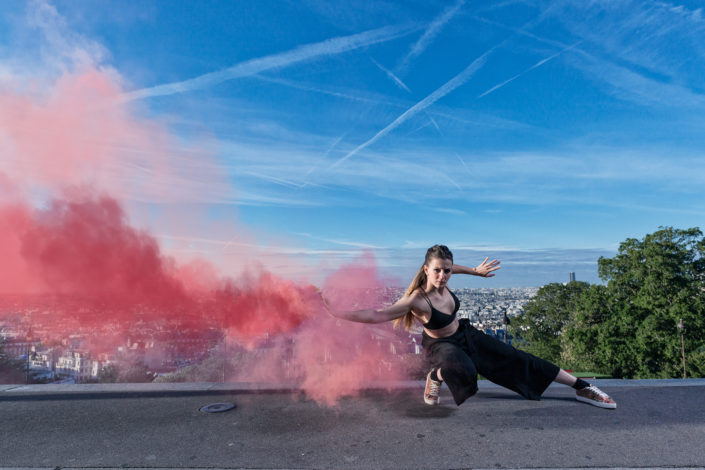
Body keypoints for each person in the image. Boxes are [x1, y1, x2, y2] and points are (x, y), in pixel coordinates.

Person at [323, 244, 616, 409]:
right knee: (462, 371)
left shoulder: (447, 275)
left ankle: (582, 387)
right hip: (441, 347)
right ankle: (434, 376)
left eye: (447, 270)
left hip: (466, 334)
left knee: (518, 358)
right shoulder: (418, 299)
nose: (443, 275)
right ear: (426, 269)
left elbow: (455, 267)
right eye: (437, 270)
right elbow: (377, 314)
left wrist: (474, 271)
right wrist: (339, 314)